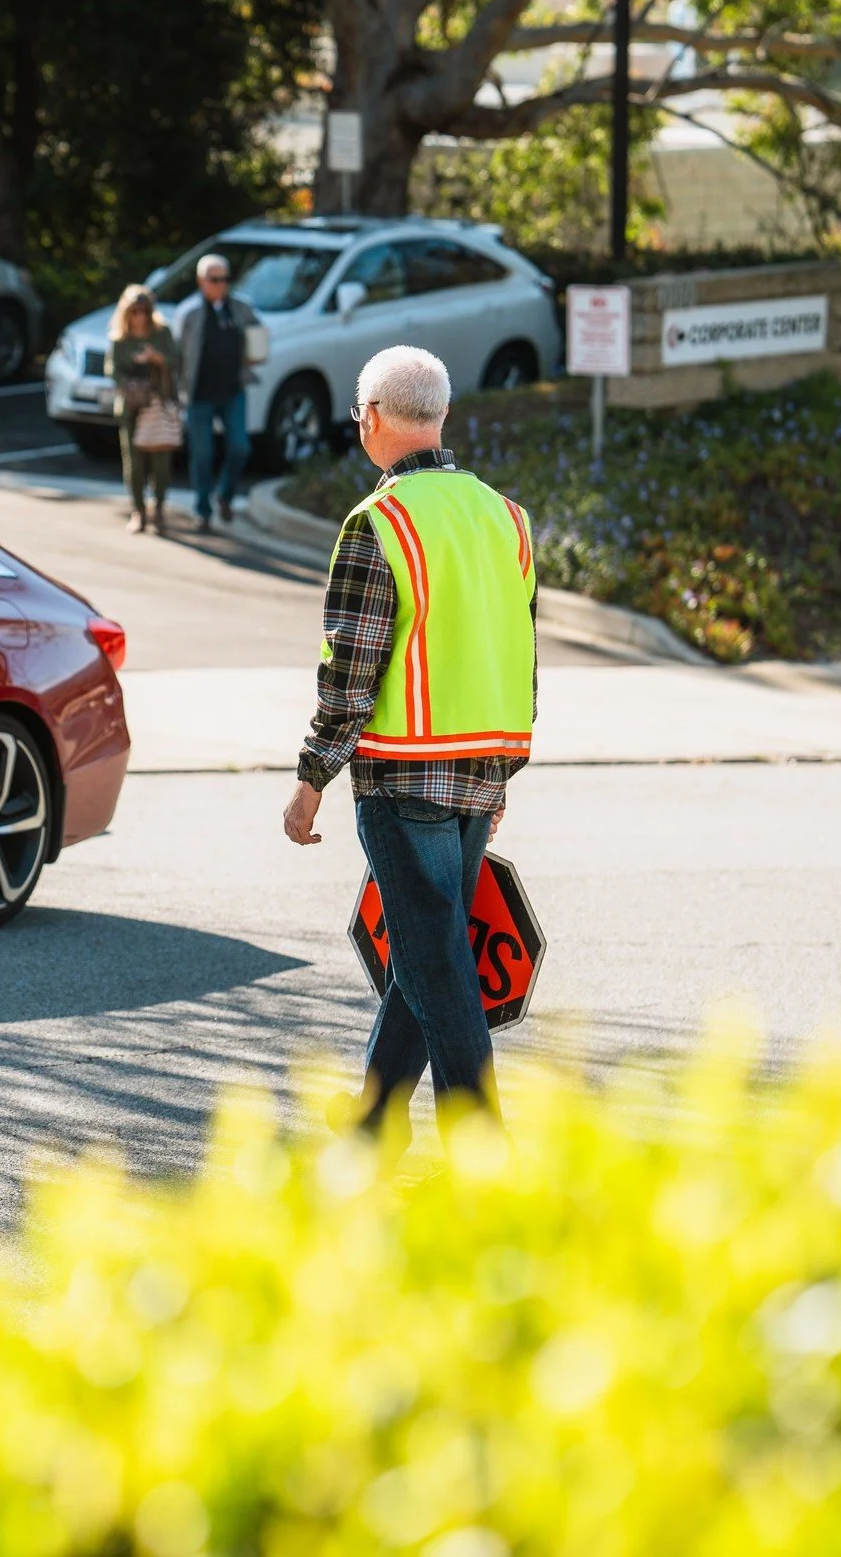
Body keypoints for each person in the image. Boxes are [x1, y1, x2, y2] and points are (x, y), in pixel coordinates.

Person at [282, 344, 537, 1142]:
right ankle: (368, 1130)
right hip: (479, 765)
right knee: (424, 958)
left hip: (403, 776)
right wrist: (501, 776)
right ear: (442, 416)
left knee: (434, 966)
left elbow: (349, 670)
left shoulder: (377, 523)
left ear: (375, 419)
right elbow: (521, 654)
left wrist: (310, 775)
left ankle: (484, 1152)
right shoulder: (507, 518)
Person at [175, 253, 264, 531]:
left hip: (232, 391)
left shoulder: (240, 308)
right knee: (202, 454)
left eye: (225, 279)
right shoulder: (189, 312)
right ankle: (203, 510)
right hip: (199, 394)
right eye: (215, 280)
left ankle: (224, 495)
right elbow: (177, 353)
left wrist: (255, 354)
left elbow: (258, 335)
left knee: (240, 447)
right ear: (201, 281)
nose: (221, 285)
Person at [107, 285, 181, 535]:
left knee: (161, 463)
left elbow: (176, 361)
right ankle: (138, 509)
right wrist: (129, 383)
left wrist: (155, 358)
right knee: (134, 464)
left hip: (158, 405)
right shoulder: (119, 339)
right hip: (132, 408)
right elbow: (113, 370)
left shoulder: (162, 333)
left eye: (144, 311)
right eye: (135, 311)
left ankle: (158, 508)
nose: (140, 316)